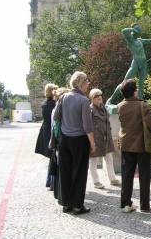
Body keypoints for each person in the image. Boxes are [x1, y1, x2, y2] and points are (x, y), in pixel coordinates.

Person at [55, 71, 96, 215]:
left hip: (64, 140)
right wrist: (92, 143)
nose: (88, 83)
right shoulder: (84, 100)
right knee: (79, 173)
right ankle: (78, 205)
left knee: (65, 171)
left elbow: (55, 116)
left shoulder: (63, 97)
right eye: (86, 81)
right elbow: (87, 126)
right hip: (79, 140)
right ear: (80, 83)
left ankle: (66, 204)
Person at [117, 79, 151, 213]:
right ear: (134, 91)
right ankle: (144, 205)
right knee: (144, 175)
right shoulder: (143, 105)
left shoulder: (120, 106)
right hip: (142, 144)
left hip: (126, 144)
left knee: (126, 175)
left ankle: (125, 204)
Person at [106, 24, 151, 104]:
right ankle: (111, 99)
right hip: (136, 63)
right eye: (138, 29)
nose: (139, 31)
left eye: (139, 30)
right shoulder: (130, 39)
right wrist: (133, 29)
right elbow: (123, 31)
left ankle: (140, 102)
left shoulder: (140, 40)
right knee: (125, 82)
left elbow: (149, 40)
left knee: (141, 84)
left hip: (143, 63)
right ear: (134, 31)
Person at [88, 88, 120, 189]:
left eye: (100, 95)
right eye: (96, 96)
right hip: (96, 138)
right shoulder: (90, 110)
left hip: (106, 137)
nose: (99, 98)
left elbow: (108, 121)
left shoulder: (104, 108)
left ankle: (112, 178)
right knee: (93, 160)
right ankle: (96, 181)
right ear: (92, 99)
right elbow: (88, 126)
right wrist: (91, 141)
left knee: (109, 158)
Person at [35, 83, 58, 189]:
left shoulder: (45, 103)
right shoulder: (54, 104)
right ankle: (51, 183)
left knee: (52, 158)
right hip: (51, 132)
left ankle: (49, 182)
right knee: (54, 158)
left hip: (46, 131)